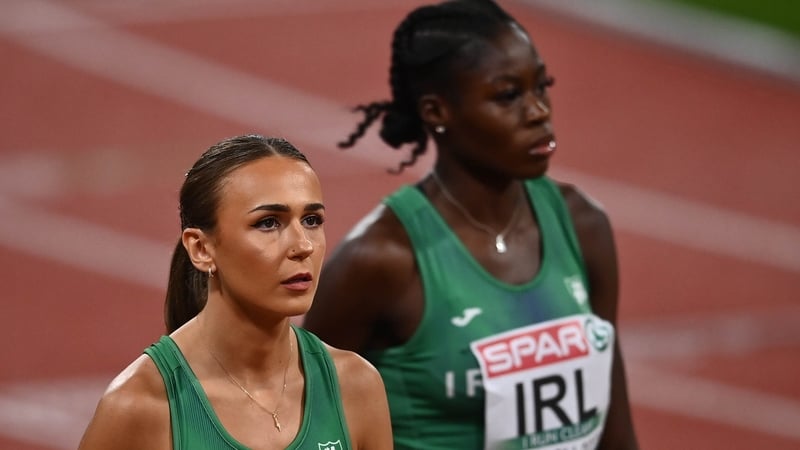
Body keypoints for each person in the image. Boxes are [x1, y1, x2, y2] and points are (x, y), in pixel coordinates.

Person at [303, 1, 639, 449]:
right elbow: (304, 425)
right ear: (437, 112)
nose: (539, 111)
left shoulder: (583, 225)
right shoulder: (382, 261)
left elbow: (613, 421)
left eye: (542, 86)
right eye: (508, 96)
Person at [78, 135, 393, 450]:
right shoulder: (140, 406)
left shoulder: (354, 387)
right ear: (201, 249)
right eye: (268, 223)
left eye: (312, 220)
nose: (303, 246)